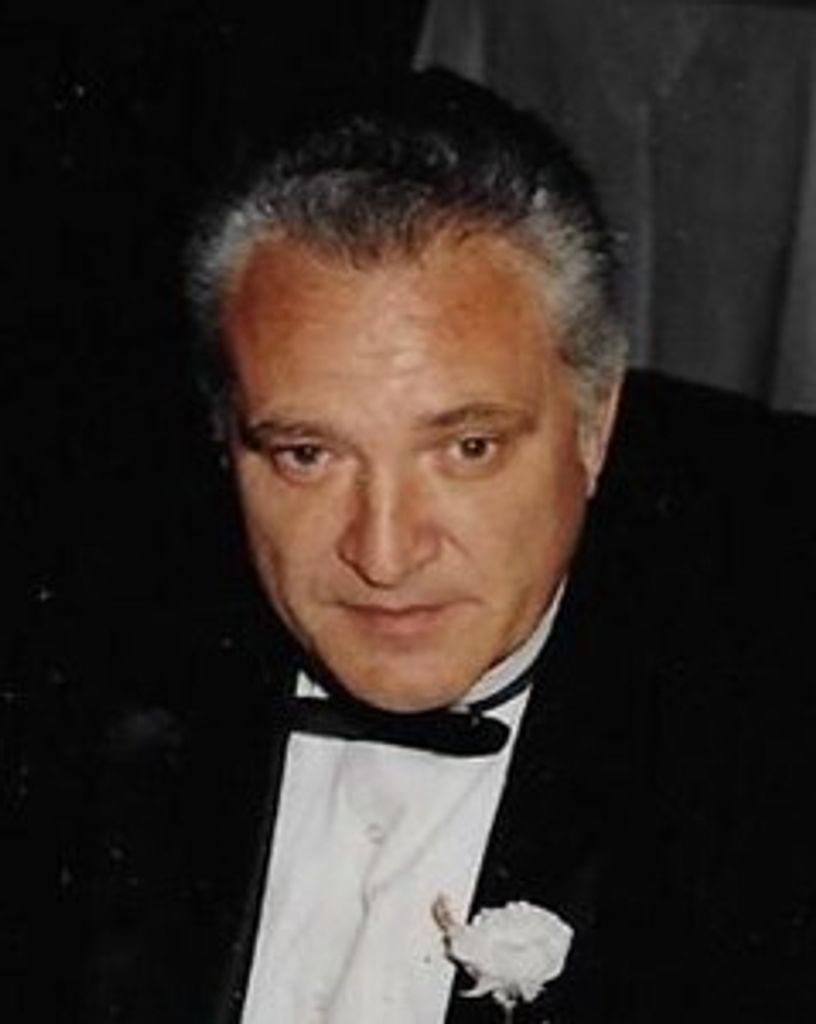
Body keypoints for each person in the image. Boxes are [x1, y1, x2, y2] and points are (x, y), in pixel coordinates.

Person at [80, 69, 815, 1024]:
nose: (384, 555)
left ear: (595, 424)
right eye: (306, 454)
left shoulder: (763, 768)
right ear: (226, 441)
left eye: (467, 449)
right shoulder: (91, 702)